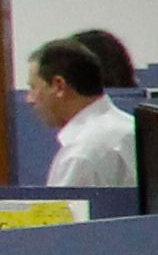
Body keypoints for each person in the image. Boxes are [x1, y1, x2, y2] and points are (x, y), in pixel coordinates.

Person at [27, 38, 130, 190]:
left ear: (59, 86)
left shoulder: (80, 154)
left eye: (33, 87)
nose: (29, 99)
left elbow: (65, 212)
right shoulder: (129, 127)